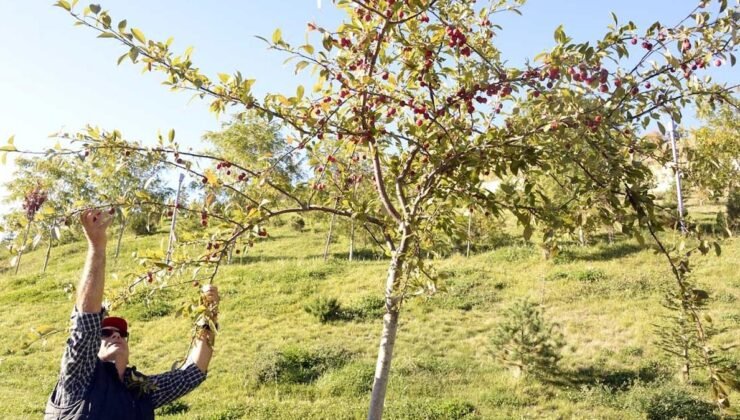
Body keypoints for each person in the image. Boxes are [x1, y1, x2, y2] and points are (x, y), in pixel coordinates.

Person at [45, 209, 220, 419]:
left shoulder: (140, 389)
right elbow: (86, 322)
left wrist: (208, 312)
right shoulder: (80, 377)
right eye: (106, 333)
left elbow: (193, 372)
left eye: (120, 333)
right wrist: (97, 247)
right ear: (94, 345)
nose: (116, 335)